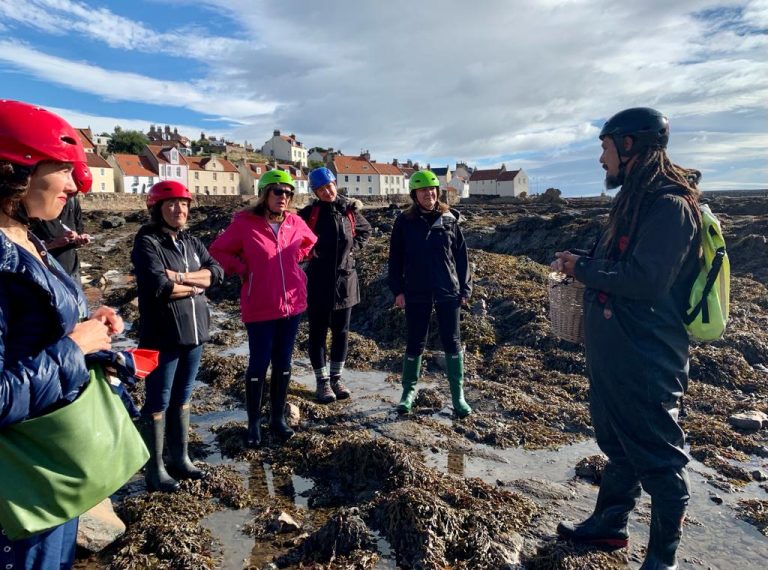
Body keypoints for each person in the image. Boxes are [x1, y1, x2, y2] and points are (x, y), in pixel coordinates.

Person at [552, 108, 701, 570]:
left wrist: (583, 269)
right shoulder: (635, 198)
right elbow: (615, 261)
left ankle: (663, 560)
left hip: (647, 356)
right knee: (619, 444)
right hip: (615, 350)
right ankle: (610, 525)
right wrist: (580, 260)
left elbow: (646, 280)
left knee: (660, 460)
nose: (601, 158)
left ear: (630, 146)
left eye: (605, 146)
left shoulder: (670, 206)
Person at [0, 100, 124, 568]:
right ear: (18, 170)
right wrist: (75, 346)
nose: (75, 186)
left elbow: (34, 333)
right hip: (19, 483)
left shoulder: (27, 238)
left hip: (53, 464)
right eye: (63, 170)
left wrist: (90, 327)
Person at [209, 170, 316, 447]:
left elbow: (309, 243)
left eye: (288, 193)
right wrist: (243, 269)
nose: (284, 197)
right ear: (265, 194)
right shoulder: (245, 224)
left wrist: (296, 263)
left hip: (292, 305)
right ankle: (254, 422)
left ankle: (277, 418)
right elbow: (218, 250)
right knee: (259, 362)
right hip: (259, 305)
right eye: (277, 191)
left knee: (284, 362)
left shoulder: (295, 222)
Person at [131, 180, 224, 492]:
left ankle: (179, 458)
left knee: (183, 398)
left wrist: (183, 278)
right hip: (162, 337)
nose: (179, 209)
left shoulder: (191, 242)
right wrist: (195, 286)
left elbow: (217, 273)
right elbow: (159, 286)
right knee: (157, 401)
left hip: (195, 335)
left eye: (183, 203)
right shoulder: (147, 241)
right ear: (157, 208)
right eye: (171, 204)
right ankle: (155, 468)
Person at [387, 169, 472, 418]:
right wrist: (397, 290)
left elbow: (462, 256)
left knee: (452, 342)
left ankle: (458, 396)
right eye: (423, 190)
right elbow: (395, 258)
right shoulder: (404, 221)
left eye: (433, 189)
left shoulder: (449, 219)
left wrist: (465, 288)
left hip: (448, 289)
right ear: (415, 194)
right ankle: (408, 393)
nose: (429, 194)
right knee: (415, 340)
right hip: (416, 289)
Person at [298, 167, 371, 403]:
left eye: (329, 186)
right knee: (317, 334)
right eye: (321, 189)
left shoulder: (348, 210)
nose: (327, 192)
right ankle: (322, 383)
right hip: (318, 281)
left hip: (345, 281)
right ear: (315, 192)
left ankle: (337, 379)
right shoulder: (310, 213)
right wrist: (308, 251)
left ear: (334, 184)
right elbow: (294, 238)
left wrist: (353, 251)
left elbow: (365, 231)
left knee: (341, 333)